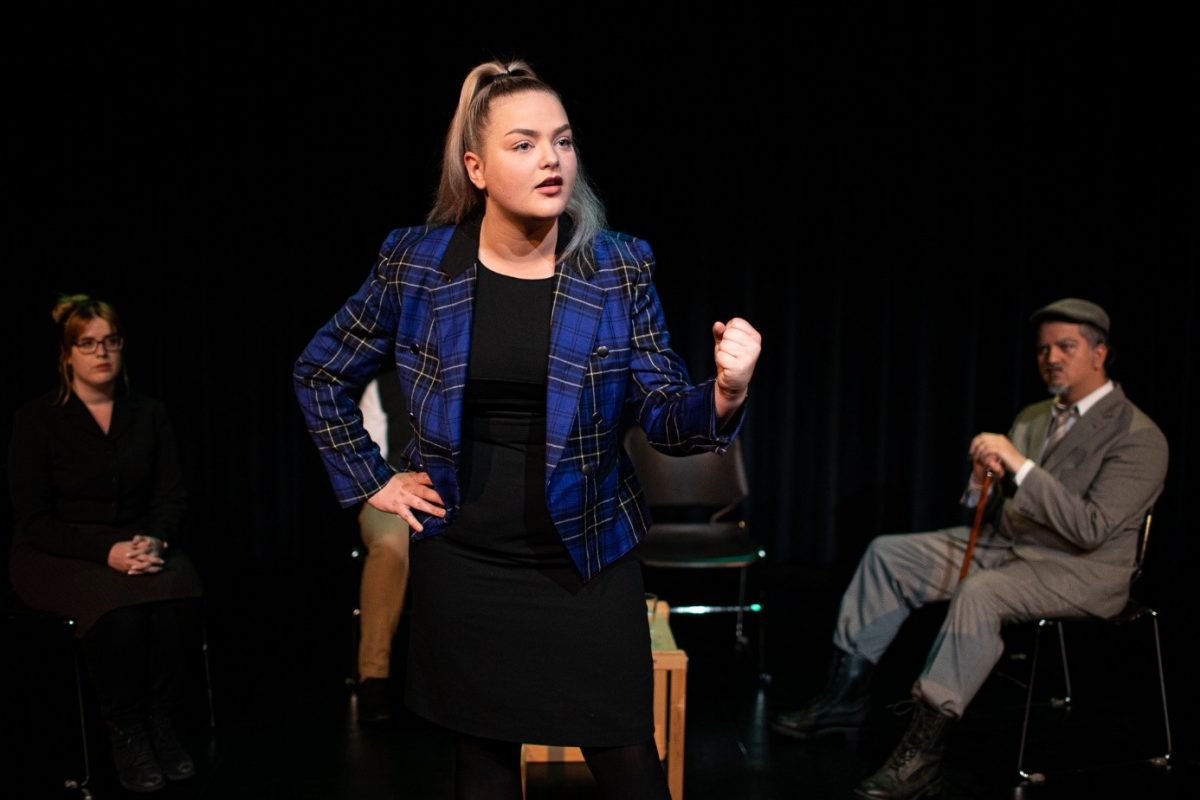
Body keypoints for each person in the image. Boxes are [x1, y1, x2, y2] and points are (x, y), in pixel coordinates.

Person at [294, 60, 761, 799]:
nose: (552, 159)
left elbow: (665, 415)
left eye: (563, 141)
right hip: (467, 561)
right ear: (476, 168)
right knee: (482, 763)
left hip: (588, 557)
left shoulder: (617, 267)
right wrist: (375, 480)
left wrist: (725, 394)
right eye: (524, 144)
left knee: (628, 760)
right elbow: (321, 372)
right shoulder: (418, 263)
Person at [770, 298, 1168, 800]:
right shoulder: (1035, 416)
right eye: (1043, 349)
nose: (1051, 358)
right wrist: (982, 481)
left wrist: (1020, 466)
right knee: (888, 554)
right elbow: (994, 505)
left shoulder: (1138, 436)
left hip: (1081, 569)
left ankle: (923, 755)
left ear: (1099, 353)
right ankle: (843, 697)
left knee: (981, 593)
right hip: (1009, 545)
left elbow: (1091, 530)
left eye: (1066, 347)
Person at [8, 294, 205, 794]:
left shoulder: (148, 413)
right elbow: (35, 521)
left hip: (134, 540)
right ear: (67, 355)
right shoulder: (38, 419)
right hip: (59, 550)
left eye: (111, 342)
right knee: (118, 610)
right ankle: (127, 731)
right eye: (88, 344)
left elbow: (171, 495)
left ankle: (161, 723)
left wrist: (156, 539)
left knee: (179, 591)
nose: (101, 353)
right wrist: (105, 554)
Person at [353, 370, 411, 724]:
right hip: (392, 496)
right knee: (392, 545)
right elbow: (366, 465)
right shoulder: (385, 387)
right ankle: (374, 674)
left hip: (453, 500)